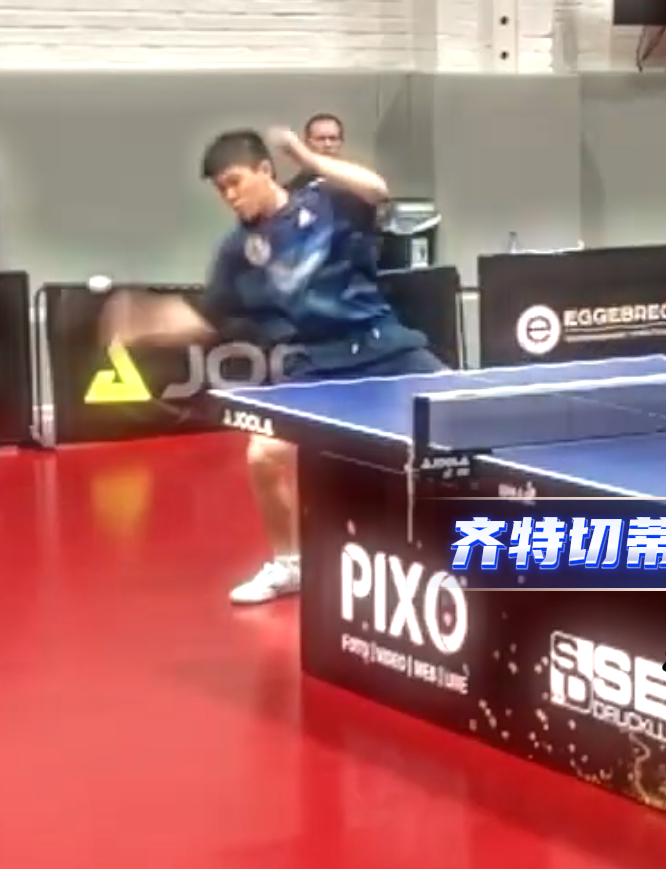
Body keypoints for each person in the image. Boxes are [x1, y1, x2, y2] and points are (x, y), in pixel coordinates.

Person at [99, 128, 446, 606]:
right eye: (220, 189)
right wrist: (148, 325)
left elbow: (376, 189)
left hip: (385, 347)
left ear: (265, 171)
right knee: (263, 455)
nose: (229, 196)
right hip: (315, 364)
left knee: (468, 423)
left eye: (235, 182)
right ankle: (290, 566)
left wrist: (305, 155)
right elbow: (206, 318)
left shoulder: (327, 202)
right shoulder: (237, 252)